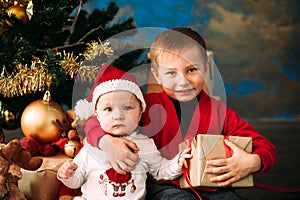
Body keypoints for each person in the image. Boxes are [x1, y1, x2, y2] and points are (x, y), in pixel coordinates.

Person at [83, 28, 276, 200]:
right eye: (171, 73)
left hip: (210, 186)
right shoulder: (144, 105)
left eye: (191, 70)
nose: (182, 82)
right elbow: (92, 122)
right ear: (157, 75)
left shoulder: (219, 111)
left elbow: (264, 146)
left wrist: (253, 162)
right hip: (160, 185)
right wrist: (105, 142)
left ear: (207, 67)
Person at [57, 64, 191, 200]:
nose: (118, 116)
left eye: (127, 107)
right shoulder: (91, 147)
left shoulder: (145, 144)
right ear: (97, 115)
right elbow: (77, 181)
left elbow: (159, 170)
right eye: (108, 109)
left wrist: (177, 163)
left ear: (140, 113)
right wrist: (67, 174)